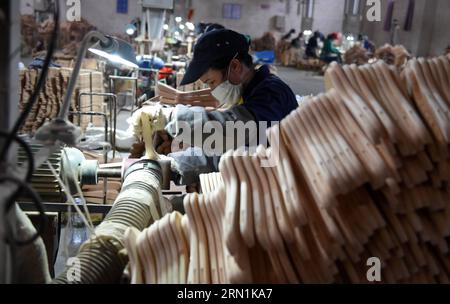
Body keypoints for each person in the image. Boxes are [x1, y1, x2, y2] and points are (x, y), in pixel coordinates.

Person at [152, 29, 298, 186]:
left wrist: (171, 116)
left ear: (235, 67)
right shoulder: (248, 93)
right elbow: (234, 152)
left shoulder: (271, 93)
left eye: (211, 82)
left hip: (282, 190)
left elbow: (234, 130)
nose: (212, 90)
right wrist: (179, 164)